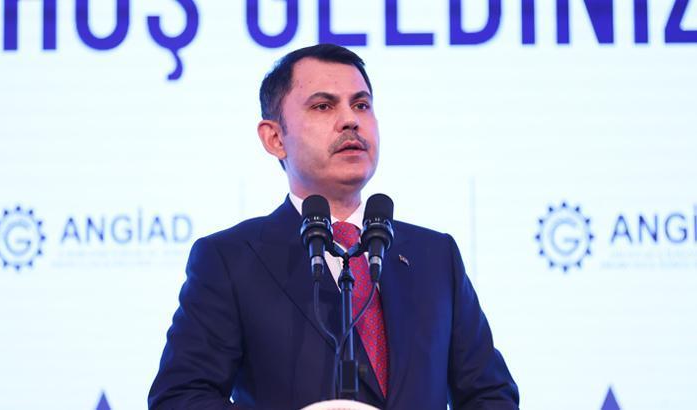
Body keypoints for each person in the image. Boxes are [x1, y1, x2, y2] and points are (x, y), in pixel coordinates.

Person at [148, 44, 519, 409]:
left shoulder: (434, 256)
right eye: (323, 106)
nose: (350, 120)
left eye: (361, 105)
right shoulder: (231, 259)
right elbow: (180, 397)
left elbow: (490, 395)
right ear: (275, 138)